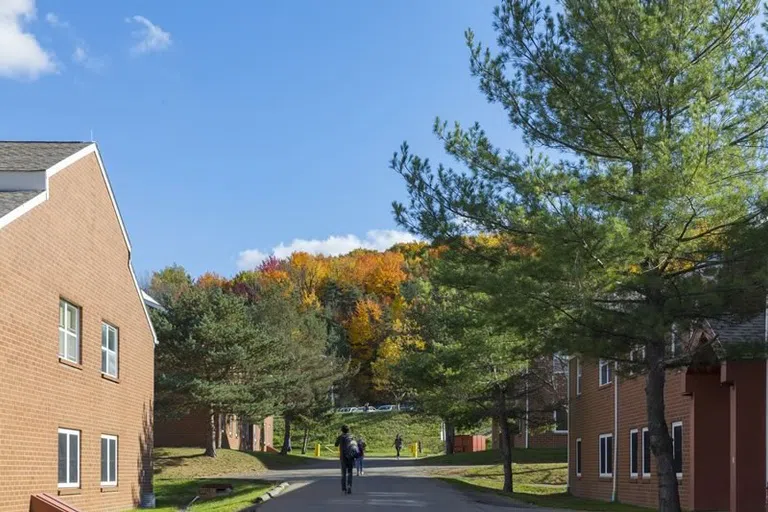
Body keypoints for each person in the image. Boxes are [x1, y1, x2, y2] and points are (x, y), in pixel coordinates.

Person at [334, 425, 356, 494]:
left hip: (343, 457)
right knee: (350, 472)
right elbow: (354, 446)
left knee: (343, 474)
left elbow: (336, 445)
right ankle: (349, 486)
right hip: (350, 457)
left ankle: (344, 489)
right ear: (348, 430)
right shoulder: (352, 437)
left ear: (342, 430)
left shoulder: (340, 437)